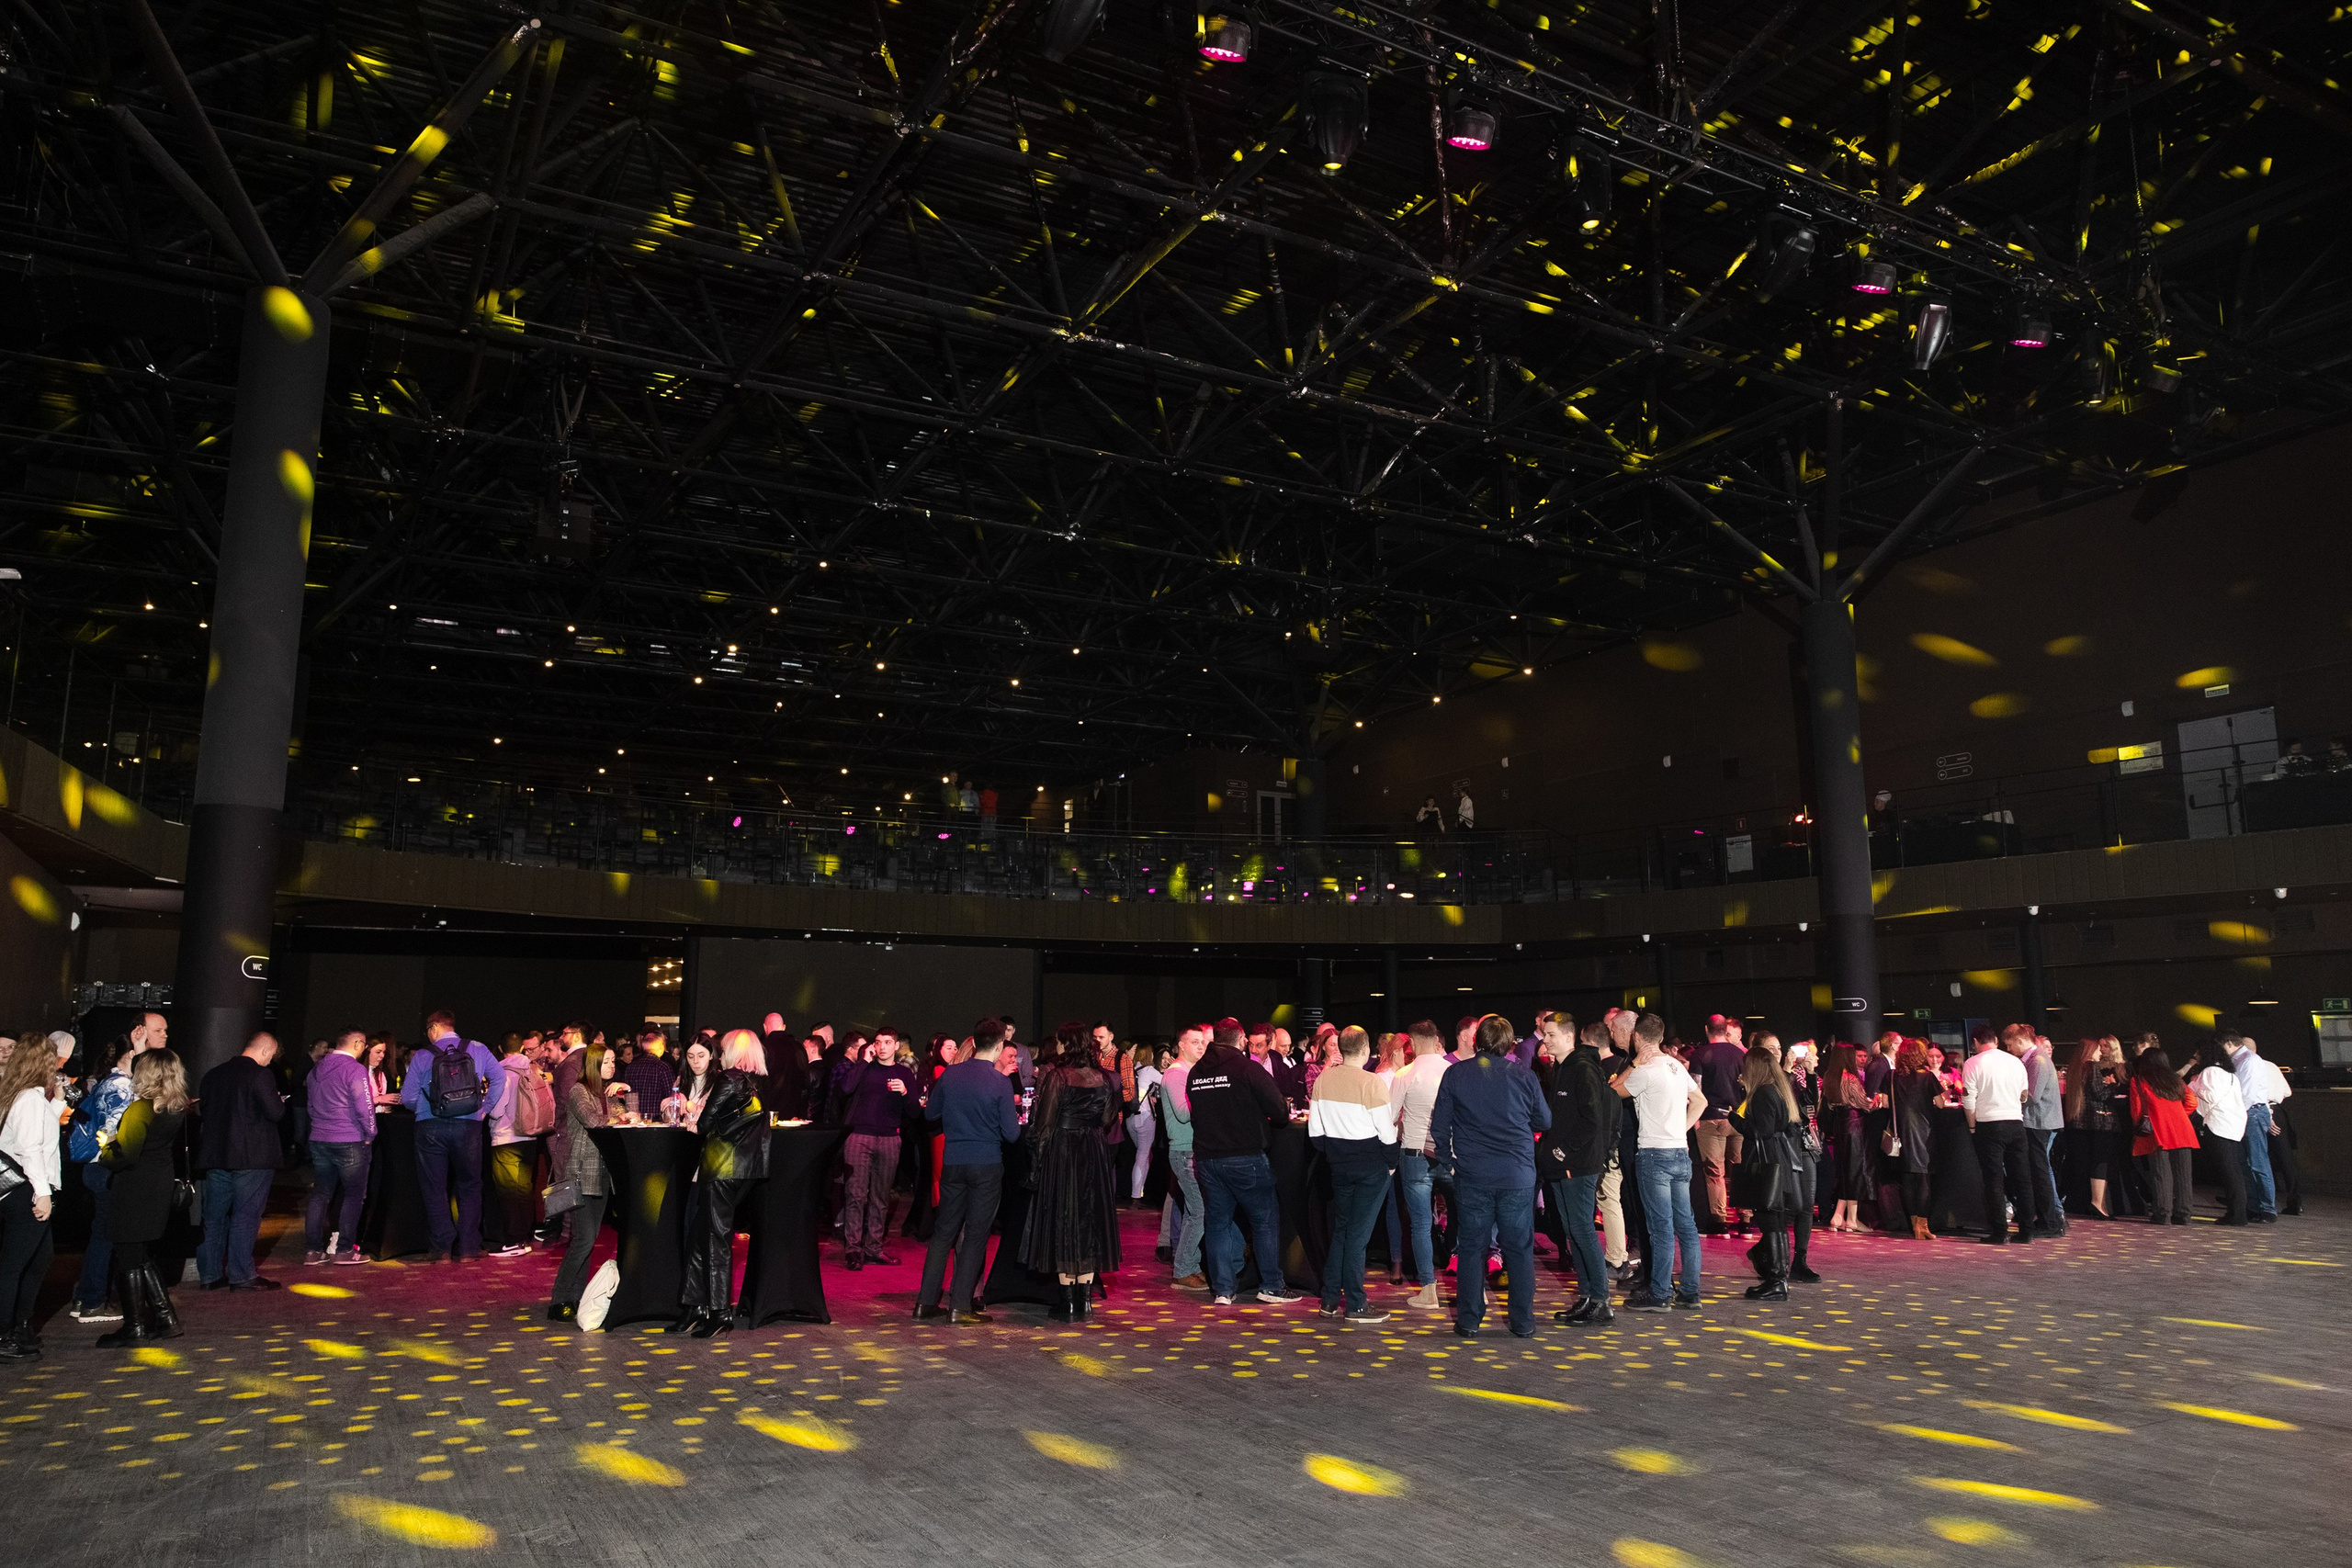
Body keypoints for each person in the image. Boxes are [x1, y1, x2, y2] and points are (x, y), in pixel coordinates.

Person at [1430, 1016, 1549, 1338]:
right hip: (1516, 1174)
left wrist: (1447, 1160)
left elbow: (1439, 1126)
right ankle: (1522, 1322)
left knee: (1471, 1248)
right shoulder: (1523, 1075)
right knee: (1519, 1249)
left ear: (1477, 1041)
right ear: (1511, 1043)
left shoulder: (1456, 1073)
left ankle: (1469, 1320)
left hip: (1473, 1174)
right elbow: (1544, 1119)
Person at [916, 1020, 1021, 1324]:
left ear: (973, 1043)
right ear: (1000, 1046)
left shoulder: (950, 1075)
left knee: (943, 1232)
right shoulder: (999, 1082)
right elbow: (1012, 1135)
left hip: (953, 1161)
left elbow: (931, 1114)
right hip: (986, 1163)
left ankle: (925, 1303)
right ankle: (960, 1305)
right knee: (975, 1234)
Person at [1189, 1019, 1297, 1307]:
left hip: (1208, 1158)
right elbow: (1279, 1110)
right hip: (1245, 1156)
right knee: (1264, 1221)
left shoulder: (1196, 1073)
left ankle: (1223, 1290)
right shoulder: (1247, 1068)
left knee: (1218, 1224)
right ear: (1240, 1041)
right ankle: (1271, 1286)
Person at [92, 1049, 193, 1349]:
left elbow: (125, 1155)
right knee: (141, 1253)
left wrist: (107, 1147)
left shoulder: (140, 1110)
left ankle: (134, 1327)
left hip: (135, 1188)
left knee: (128, 1255)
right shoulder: (175, 1108)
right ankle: (166, 1319)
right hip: (159, 1185)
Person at [1021, 1027, 1122, 1322]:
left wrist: (1036, 1163)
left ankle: (1067, 1301)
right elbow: (1107, 1118)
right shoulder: (1103, 1077)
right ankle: (1085, 1299)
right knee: (1089, 1217)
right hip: (1093, 1148)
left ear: (1067, 1044)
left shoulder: (1058, 1076)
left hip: (1064, 1149)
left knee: (1066, 1216)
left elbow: (1045, 1124)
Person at [673, 1031, 769, 1337]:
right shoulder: (754, 1082)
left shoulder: (730, 1078)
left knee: (714, 1241)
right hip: (738, 1169)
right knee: (703, 1236)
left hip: (722, 1166)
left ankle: (718, 1312)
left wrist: (694, 1119)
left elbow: (702, 1124)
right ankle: (694, 1306)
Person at [65, 1019, 161, 1324]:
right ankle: (93, 1301)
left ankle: (85, 1298)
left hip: (100, 1167)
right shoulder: (120, 1085)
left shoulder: (113, 1082)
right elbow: (117, 1132)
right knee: (106, 1236)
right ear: (132, 1053)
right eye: (145, 1047)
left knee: (102, 1235)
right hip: (106, 1168)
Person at [1308, 1026, 1399, 1325]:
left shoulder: (1323, 1080)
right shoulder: (1371, 1082)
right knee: (1357, 1237)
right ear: (1365, 1050)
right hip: (1371, 1168)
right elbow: (1387, 1134)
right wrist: (1391, 1165)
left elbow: (1316, 1134)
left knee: (1343, 1232)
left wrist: (1335, 1154)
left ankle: (1330, 1300)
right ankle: (1357, 1305)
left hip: (1339, 1167)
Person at [1615, 1013, 1704, 1311]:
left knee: (1661, 1228)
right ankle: (1690, 1293)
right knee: (1686, 1226)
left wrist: (1633, 1064)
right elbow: (1700, 1102)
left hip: (1654, 1154)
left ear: (1637, 1037)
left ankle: (1660, 1293)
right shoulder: (1675, 1065)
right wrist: (1680, 1129)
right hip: (1680, 1151)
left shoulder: (1647, 1069)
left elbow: (1612, 1092)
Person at [401, 1010, 505, 1264]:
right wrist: (484, 1109)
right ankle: (469, 1246)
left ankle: (442, 1248)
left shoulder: (423, 1055)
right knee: (470, 1185)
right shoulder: (477, 1048)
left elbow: (407, 1097)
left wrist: (425, 1109)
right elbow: (499, 1077)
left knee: (434, 1187)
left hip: (431, 1127)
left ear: (434, 1027)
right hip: (468, 1125)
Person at [1540, 1013, 1619, 1325]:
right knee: (1575, 1232)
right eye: (1545, 1034)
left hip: (1577, 1165)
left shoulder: (1582, 1069)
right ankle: (1588, 1298)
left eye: (1551, 1035)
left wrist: (1562, 1150)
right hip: (1564, 1165)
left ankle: (1600, 1300)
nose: (1545, 1040)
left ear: (1569, 1036)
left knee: (1583, 1231)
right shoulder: (1563, 1068)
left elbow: (1592, 1120)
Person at [196, 1031, 287, 1289]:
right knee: (245, 1217)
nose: (271, 1061)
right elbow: (275, 1113)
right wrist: (279, 1100)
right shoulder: (260, 1074)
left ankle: (210, 1275)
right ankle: (241, 1275)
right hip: (253, 1157)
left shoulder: (213, 1074)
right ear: (266, 1051)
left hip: (217, 1156)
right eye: (272, 1056)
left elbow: (205, 1112)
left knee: (213, 1218)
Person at [0, 1032, 65, 1359]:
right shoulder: (28, 1099)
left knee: (39, 1260)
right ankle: (5, 1335)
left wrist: (59, 1101)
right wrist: (42, 1193)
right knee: (13, 1266)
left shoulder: (25, 1097)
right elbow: (31, 1149)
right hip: (27, 1189)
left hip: (27, 1188)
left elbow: (38, 1133)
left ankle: (19, 1327)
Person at [1730, 1043, 1804, 1301]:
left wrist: (1735, 1119)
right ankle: (1778, 1278)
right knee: (1777, 1221)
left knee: (1770, 1220)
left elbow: (1759, 1131)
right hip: (1779, 1158)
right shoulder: (1779, 1090)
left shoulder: (1762, 1093)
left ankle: (1776, 1279)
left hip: (1767, 1161)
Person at [1388, 1019, 1453, 1311]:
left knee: (1421, 1225)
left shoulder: (1405, 1073)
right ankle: (1475, 1287)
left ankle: (1428, 1290)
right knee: (1466, 1222)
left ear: (1412, 1044)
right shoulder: (1453, 1070)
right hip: (1452, 1155)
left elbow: (1390, 1116)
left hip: (1414, 1154)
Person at [835, 1031, 914, 1269]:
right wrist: (863, 1061)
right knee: (855, 1194)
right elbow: (846, 1088)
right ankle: (853, 1250)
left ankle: (874, 1248)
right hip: (859, 1135)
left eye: (888, 1043)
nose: (882, 1047)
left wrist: (905, 1093)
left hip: (890, 1137)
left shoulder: (903, 1073)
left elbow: (915, 1112)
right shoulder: (864, 1067)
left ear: (896, 1046)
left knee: (881, 1197)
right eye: (878, 1042)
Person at [547, 1041, 613, 1322]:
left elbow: (615, 1117)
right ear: (595, 1065)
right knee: (584, 1239)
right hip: (579, 1171)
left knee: (591, 1238)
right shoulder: (579, 1090)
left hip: (601, 1174)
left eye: (613, 1062)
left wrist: (619, 1104)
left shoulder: (603, 1094)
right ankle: (559, 1299)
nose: (612, 1066)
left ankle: (574, 1297)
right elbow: (593, 1121)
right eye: (607, 1062)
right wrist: (619, 1112)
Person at [303, 1030, 377, 1266]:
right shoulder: (355, 1069)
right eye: (364, 1046)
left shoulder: (317, 1069)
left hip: (319, 1138)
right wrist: (370, 1133)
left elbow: (310, 1105)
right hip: (349, 1139)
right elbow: (365, 1106)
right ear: (357, 1043)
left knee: (321, 1194)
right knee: (354, 1195)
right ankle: (345, 1251)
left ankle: (313, 1251)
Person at [1961, 1024, 2033, 1245]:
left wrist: (1972, 1127)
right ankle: (2027, 1230)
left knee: (1994, 1180)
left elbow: (1968, 1099)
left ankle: (2000, 1231)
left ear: (1975, 1042)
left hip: (1989, 1124)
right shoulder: (2015, 1062)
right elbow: (2024, 1095)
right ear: (1996, 1040)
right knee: (2022, 1178)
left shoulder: (1972, 1063)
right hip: (2015, 1122)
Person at [486, 1032, 552, 1258]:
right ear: (523, 1049)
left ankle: (514, 1241)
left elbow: (496, 1110)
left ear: (499, 1048)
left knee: (508, 1192)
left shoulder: (502, 1073)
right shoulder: (532, 1069)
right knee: (525, 1190)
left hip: (506, 1138)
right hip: (531, 1137)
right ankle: (524, 1237)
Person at [1159, 1025, 1210, 1291]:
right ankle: (1183, 1270)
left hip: (1192, 1149)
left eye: (1202, 1042)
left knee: (1194, 1210)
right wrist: (1209, 1096)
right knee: (1199, 1210)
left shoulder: (1190, 1073)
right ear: (1181, 1045)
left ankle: (1189, 1266)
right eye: (1194, 1042)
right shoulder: (1177, 1074)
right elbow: (1182, 1112)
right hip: (1184, 1149)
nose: (1201, 1046)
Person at [1688, 1018, 1747, 1235]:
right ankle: (1746, 1219)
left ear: (1706, 1029)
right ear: (1725, 1030)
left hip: (1710, 1117)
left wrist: (1694, 1119)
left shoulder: (1700, 1054)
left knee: (1715, 1172)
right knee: (1739, 1168)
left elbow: (1695, 1088)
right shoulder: (1740, 1054)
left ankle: (1719, 1219)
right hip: (1738, 1118)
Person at [2127, 1041, 2197, 1224]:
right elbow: (2192, 1102)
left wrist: (2139, 1126)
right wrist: (2180, 1115)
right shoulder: (2175, 1080)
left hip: (2158, 1131)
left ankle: (2163, 1213)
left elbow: (2137, 1110)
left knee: (2161, 1174)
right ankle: (2184, 1214)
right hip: (2183, 1130)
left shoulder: (2139, 1081)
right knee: (2183, 1175)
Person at [2229, 1034, 2290, 1224]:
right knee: (2249, 1162)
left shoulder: (2249, 1061)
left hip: (2251, 1113)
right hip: (2256, 1111)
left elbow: (2249, 1094)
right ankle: (2257, 1205)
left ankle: (2266, 1207)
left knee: (2257, 1161)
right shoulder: (2250, 1062)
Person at [2188, 1040, 2248, 1226]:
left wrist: (2193, 1086)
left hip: (2219, 1125)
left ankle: (2237, 1215)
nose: (2195, 1058)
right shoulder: (2228, 1073)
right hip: (2232, 1124)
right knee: (2233, 1171)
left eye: (2198, 1054)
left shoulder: (2210, 1072)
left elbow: (2210, 1096)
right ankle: (2237, 1212)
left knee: (2229, 1172)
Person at [2013, 1028, 2065, 1236]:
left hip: (2039, 1123)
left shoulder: (2037, 1060)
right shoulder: (2036, 1059)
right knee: (2039, 1171)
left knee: (2040, 1171)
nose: (2009, 1049)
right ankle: (2047, 1219)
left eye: (2009, 1045)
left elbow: (2032, 1096)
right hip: (2039, 1122)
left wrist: (2009, 1097)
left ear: (2018, 1041)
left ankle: (2050, 1222)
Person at [1888, 1040, 1940, 1241]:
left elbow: (1884, 1102)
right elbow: (1941, 1104)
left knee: (1908, 1179)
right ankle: (1923, 1226)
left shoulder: (1891, 1075)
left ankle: (1914, 1225)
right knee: (1924, 1177)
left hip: (1901, 1132)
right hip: (1923, 1131)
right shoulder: (1927, 1077)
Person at [1818, 1043, 1871, 1233]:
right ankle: (1852, 1220)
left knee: (1844, 1170)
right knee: (1855, 1171)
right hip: (1853, 1123)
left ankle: (1838, 1216)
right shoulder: (1850, 1079)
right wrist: (1879, 1102)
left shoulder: (1828, 1077)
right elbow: (1864, 1104)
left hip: (1838, 1124)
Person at [1125, 1042, 1160, 1204]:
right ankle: (1136, 1196)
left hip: (1130, 1118)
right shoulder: (1149, 1070)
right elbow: (1167, 1081)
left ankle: (1139, 1191)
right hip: (1145, 1117)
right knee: (1143, 1156)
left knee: (1143, 1155)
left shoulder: (1131, 1070)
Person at [621, 1027, 675, 1113]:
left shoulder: (630, 1067)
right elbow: (671, 1097)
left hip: (633, 1121)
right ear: (661, 1046)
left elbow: (625, 1096)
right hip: (656, 1123)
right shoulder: (663, 1067)